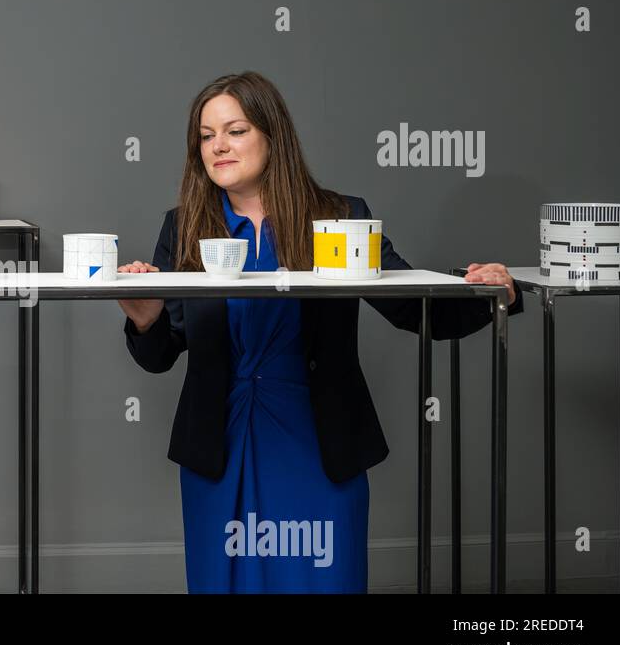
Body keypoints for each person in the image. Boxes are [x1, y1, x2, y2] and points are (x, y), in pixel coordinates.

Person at [117, 71, 524, 593]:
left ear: (272, 134)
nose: (218, 146)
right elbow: (159, 354)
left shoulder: (339, 216)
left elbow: (411, 309)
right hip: (218, 448)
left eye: (235, 130)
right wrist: (144, 319)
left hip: (318, 441)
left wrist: (492, 297)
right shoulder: (183, 226)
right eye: (206, 135)